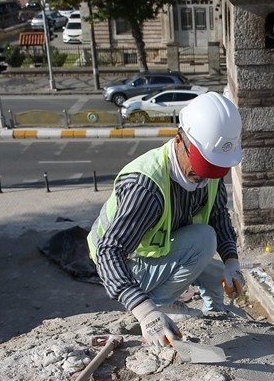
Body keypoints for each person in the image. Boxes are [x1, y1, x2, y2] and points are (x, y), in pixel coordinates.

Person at [88, 91, 246, 349]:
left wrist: (232, 263)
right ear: (180, 141)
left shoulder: (209, 174)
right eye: (200, 170)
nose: (204, 179)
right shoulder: (145, 188)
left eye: (212, 171)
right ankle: (159, 305)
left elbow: (218, 216)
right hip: (125, 266)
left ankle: (216, 316)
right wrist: (145, 312)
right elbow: (109, 252)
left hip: (156, 253)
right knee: (203, 240)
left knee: (217, 271)